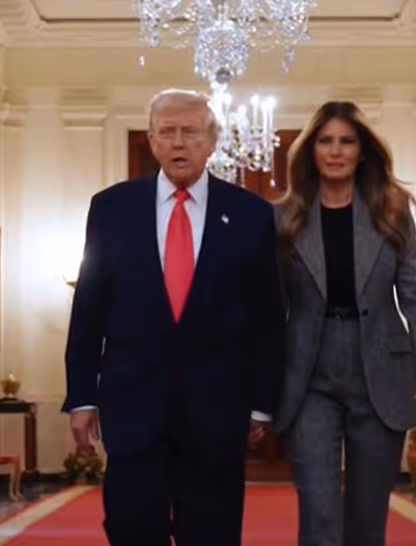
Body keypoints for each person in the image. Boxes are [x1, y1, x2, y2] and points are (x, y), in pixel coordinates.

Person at [62, 88, 286, 546]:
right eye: (168, 132)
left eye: (190, 132)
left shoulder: (252, 215)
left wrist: (263, 401)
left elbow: (268, 317)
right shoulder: (111, 209)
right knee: (130, 526)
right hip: (132, 404)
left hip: (218, 409)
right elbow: (88, 308)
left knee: (211, 533)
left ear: (212, 141)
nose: (179, 142)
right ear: (151, 139)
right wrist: (81, 396)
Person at [273, 101, 416, 546]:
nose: (335, 151)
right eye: (325, 141)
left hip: (382, 370)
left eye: (346, 141)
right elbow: (269, 309)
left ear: (362, 150)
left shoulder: (392, 210)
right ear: (310, 150)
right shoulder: (282, 218)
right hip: (308, 374)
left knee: (367, 521)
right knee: (319, 513)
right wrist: (257, 388)